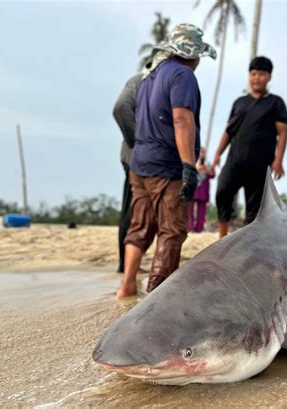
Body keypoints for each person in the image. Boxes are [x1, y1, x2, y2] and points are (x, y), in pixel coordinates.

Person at [117, 24, 216, 297]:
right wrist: (188, 165)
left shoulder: (150, 76)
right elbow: (181, 118)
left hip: (140, 164)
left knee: (140, 226)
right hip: (166, 165)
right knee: (171, 231)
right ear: (193, 55)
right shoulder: (183, 75)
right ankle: (157, 296)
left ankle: (127, 284)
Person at [212, 56, 287, 238]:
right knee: (222, 192)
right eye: (253, 74)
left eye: (261, 74)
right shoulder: (240, 102)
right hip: (235, 161)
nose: (256, 78)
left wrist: (278, 160)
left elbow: (283, 132)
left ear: (269, 77)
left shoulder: (276, 103)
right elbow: (229, 131)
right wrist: (217, 154)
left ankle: (250, 244)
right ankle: (222, 238)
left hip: (260, 164)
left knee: (254, 209)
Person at [113, 73, 142, 273]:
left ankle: (130, 265)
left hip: (142, 156)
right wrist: (139, 140)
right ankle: (125, 265)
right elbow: (120, 107)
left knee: (137, 210)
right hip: (136, 156)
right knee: (132, 210)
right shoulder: (140, 81)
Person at [189, 147, 214, 233]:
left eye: (202, 152)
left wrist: (207, 169)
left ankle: (199, 228)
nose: (201, 154)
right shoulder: (193, 163)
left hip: (203, 191)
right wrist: (196, 168)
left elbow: (212, 175)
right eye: (200, 152)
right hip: (194, 189)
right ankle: (190, 227)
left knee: (201, 211)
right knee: (190, 209)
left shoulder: (208, 164)